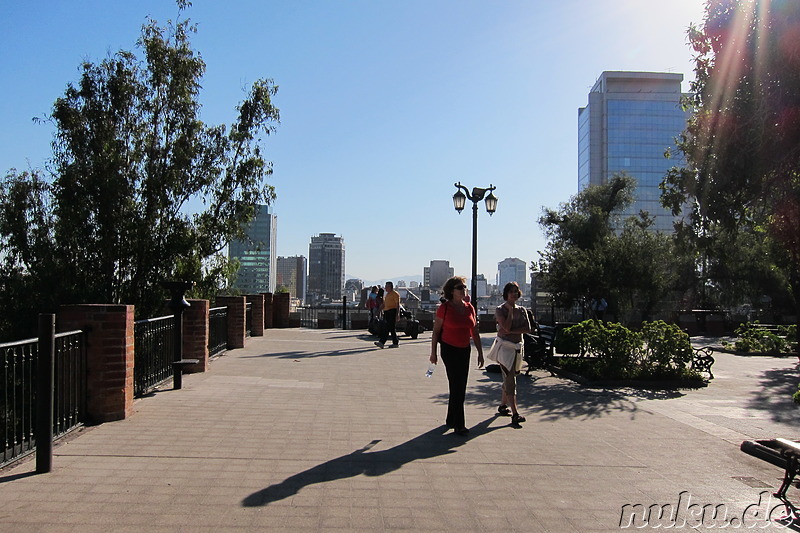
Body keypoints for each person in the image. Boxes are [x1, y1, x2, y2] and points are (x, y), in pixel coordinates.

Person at [429, 276, 484, 435]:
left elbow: (475, 332)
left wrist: (480, 353)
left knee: (461, 385)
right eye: (460, 287)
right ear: (452, 291)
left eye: (464, 287)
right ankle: (459, 424)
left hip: (464, 349)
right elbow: (436, 332)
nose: (463, 290)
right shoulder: (444, 308)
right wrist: (433, 354)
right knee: (456, 384)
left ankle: (451, 418)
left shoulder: (469, 308)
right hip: (449, 349)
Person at [488, 281, 531, 428]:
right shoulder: (500, 310)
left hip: (518, 347)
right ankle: (515, 413)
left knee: (510, 376)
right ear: (506, 294)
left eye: (516, 291)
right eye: (511, 291)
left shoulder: (523, 310)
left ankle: (502, 405)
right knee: (510, 378)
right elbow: (505, 327)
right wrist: (511, 313)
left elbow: (527, 328)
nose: (514, 294)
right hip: (505, 348)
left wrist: (511, 330)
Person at [374, 281, 400, 348]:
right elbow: (384, 305)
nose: (385, 288)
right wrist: (378, 311)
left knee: (387, 327)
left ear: (390, 287)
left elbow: (397, 305)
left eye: (386, 286)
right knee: (391, 328)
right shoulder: (387, 295)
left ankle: (382, 342)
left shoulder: (395, 294)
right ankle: (395, 342)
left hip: (392, 311)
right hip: (387, 312)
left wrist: (398, 314)